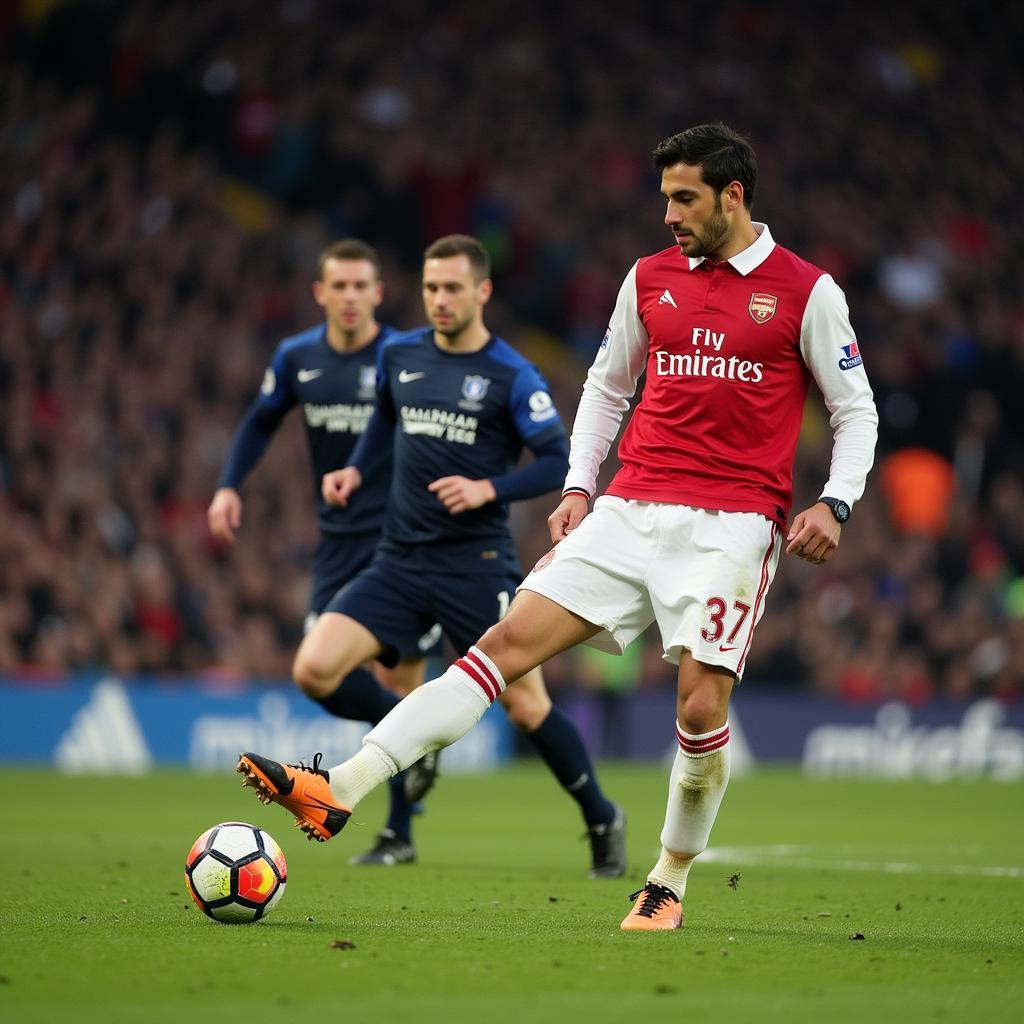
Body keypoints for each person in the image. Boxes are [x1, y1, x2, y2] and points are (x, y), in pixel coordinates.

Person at [236, 122, 878, 925]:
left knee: (700, 710)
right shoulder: (647, 279)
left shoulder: (806, 290)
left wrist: (836, 500)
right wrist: (578, 487)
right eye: (665, 198)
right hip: (630, 505)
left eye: (685, 199)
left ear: (733, 194)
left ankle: (668, 879)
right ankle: (340, 788)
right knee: (497, 652)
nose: (670, 215)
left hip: (733, 525)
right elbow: (608, 388)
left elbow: (855, 410)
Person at [239, 234, 626, 878]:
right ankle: (412, 757)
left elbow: (558, 460)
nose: (439, 300)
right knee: (314, 668)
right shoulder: (401, 353)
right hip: (398, 562)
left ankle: (600, 816)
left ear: (482, 291)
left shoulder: (512, 374)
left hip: (476, 567)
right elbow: (385, 422)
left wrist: (489, 488)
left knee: (527, 706)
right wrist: (357, 472)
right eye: (430, 288)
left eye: (451, 288)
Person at [208, 238, 437, 866]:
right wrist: (229, 485)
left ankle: (399, 836)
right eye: (339, 286)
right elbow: (259, 421)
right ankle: (423, 738)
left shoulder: (402, 355)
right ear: (321, 292)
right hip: (338, 543)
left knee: (394, 679)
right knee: (324, 677)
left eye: (362, 285)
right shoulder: (296, 356)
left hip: (401, 543)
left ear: (378, 292)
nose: (351, 296)